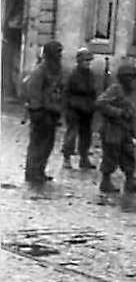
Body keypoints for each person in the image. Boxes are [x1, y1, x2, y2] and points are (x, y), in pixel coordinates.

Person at [96, 59, 136, 195]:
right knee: (110, 156)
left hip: (125, 130)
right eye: (131, 77)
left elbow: (129, 114)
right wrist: (118, 113)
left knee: (128, 155)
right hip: (112, 129)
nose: (133, 81)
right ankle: (105, 182)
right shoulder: (115, 89)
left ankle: (130, 181)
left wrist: (133, 133)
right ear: (124, 78)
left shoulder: (128, 92)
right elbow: (100, 103)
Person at [23, 41, 64, 186]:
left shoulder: (56, 70)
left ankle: (39, 171)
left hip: (52, 112)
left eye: (60, 52)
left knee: (47, 144)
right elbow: (33, 90)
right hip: (41, 112)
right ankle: (32, 173)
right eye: (57, 52)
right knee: (37, 144)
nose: (60, 55)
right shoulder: (40, 71)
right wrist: (36, 110)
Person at [61, 47, 97, 170]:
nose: (87, 63)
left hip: (87, 109)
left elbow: (93, 91)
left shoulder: (91, 75)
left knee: (86, 135)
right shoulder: (73, 74)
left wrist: (93, 104)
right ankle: (67, 158)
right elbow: (66, 92)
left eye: (89, 60)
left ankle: (84, 158)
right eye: (85, 60)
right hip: (74, 108)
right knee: (72, 134)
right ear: (79, 61)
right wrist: (67, 107)